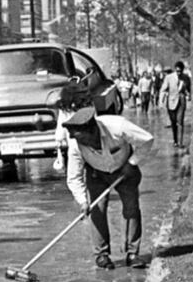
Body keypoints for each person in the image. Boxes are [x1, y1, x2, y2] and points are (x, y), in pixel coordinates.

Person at [62, 106, 154, 270]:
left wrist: (132, 163)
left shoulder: (118, 127)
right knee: (96, 209)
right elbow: (74, 177)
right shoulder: (76, 144)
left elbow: (147, 140)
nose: (79, 142)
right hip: (96, 172)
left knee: (131, 208)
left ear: (93, 131)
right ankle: (102, 255)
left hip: (125, 170)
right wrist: (82, 201)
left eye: (83, 139)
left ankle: (132, 253)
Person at [159, 62, 190, 147]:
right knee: (173, 122)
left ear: (182, 70)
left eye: (180, 71)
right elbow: (163, 89)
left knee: (180, 122)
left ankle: (180, 142)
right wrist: (161, 100)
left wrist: (188, 94)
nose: (178, 73)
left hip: (181, 102)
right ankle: (175, 140)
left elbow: (189, 90)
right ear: (175, 70)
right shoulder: (169, 77)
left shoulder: (186, 78)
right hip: (171, 102)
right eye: (177, 71)